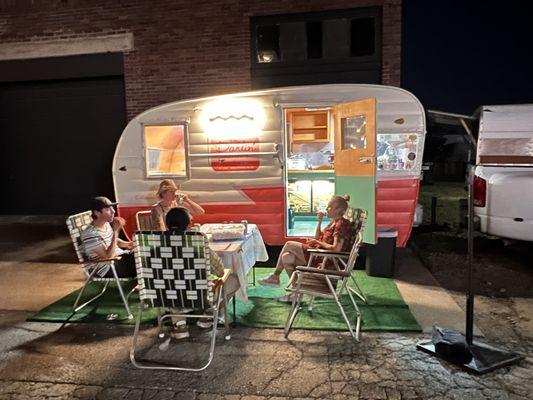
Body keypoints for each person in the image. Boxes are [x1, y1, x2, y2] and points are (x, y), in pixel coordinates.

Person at [258, 195, 353, 302]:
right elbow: (318, 237)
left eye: (329, 207)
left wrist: (317, 242)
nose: (326, 209)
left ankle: (275, 277)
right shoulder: (333, 222)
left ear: (339, 210)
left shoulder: (341, 224)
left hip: (324, 260)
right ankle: (295, 294)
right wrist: (319, 222)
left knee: (289, 244)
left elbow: (336, 249)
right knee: (287, 257)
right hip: (318, 255)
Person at [164, 207, 240, 339]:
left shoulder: (153, 244)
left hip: (165, 296)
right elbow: (220, 270)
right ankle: (208, 315)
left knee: (172, 284)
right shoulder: (197, 243)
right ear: (189, 226)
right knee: (234, 280)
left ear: (167, 224)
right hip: (199, 296)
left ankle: (180, 326)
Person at [80, 196, 136, 278]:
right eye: (108, 209)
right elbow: (108, 256)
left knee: (145, 251)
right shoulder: (90, 234)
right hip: (109, 269)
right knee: (144, 258)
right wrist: (116, 231)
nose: (113, 211)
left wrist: (128, 244)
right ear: (97, 213)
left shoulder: (106, 224)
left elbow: (112, 241)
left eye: (112, 208)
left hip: (120, 259)